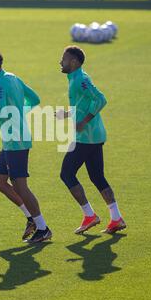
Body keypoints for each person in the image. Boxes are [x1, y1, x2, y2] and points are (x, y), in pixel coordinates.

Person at [0, 49, 52, 243]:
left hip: (15, 141)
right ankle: (31, 218)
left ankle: (43, 228)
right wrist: (19, 112)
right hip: (12, 141)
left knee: (21, 186)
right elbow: (35, 99)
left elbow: (1, 114)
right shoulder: (14, 78)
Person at [56, 45, 126, 234]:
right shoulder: (75, 79)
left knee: (66, 174)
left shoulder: (80, 79)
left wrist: (84, 121)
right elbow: (84, 104)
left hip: (86, 138)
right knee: (96, 176)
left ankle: (90, 215)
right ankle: (116, 218)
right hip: (93, 137)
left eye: (64, 58)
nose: (60, 62)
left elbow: (101, 99)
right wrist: (67, 113)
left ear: (74, 62)